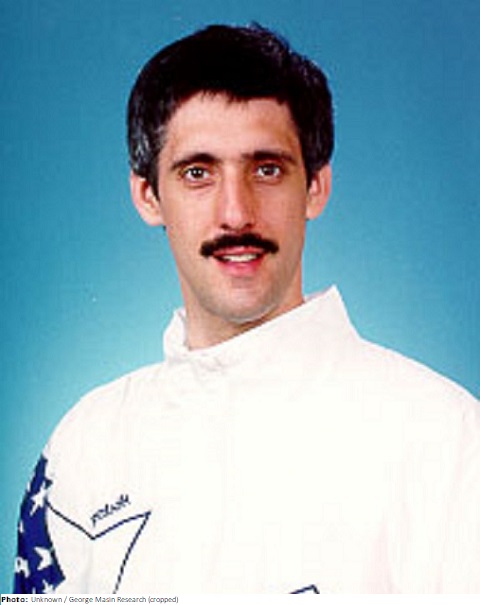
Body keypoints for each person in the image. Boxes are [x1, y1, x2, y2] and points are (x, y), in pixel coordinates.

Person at [14, 24, 480, 594]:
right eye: (198, 173)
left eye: (267, 169)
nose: (236, 213)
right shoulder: (84, 448)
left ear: (316, 187)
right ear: (148, 196)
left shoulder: (443, 439)